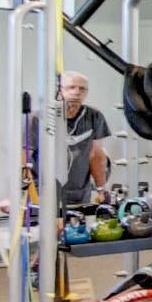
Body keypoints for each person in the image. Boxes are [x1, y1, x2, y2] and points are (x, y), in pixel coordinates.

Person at [56, 70, 111, 206]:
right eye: (71, 87)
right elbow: (24, 156)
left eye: (82, 89)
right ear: (60, 89)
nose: (77, 92)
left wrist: (101, 189)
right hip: (43, 194)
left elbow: (96, 155)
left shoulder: (94, 116)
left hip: (78, 195)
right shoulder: (40, 117)